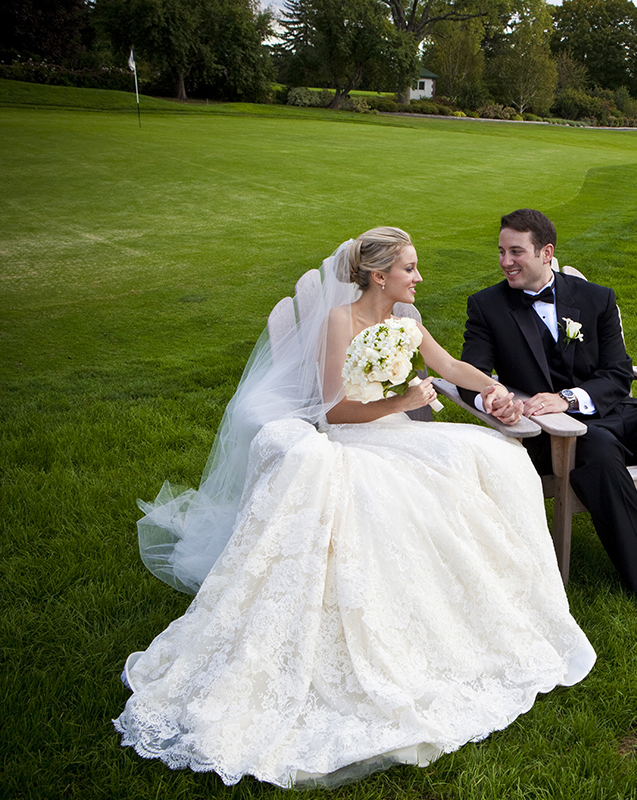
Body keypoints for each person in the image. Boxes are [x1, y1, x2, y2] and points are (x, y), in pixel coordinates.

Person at [114, 227, 595, 789]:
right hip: (354, 440)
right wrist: (405, 400)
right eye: (410, 269)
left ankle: (503, 599)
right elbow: (335, 412)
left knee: (497, 459)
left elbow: (450, 367)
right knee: (391, 497)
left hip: (399, 434)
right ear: (379, 275)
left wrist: (496, 390)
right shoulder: (340, 323)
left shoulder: (408, 322)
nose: (419, 278)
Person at [459, 209, 637, 613]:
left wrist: (571, 398)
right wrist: (494, 398)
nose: (506, 261)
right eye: (501, 251)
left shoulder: (596, 298)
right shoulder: (487, 306)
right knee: (599, 450)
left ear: (546, 252)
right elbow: (471, 375)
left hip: (612, 409)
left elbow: (617, 372)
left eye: (516, 251)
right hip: (552, 431)